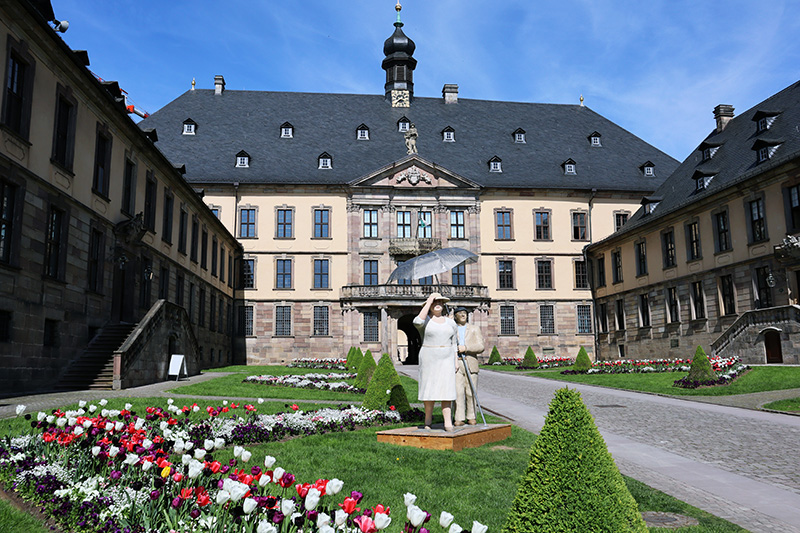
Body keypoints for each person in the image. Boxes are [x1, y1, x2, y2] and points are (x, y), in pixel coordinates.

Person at [413, 292, 457, 431]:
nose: (437, 304)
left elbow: (454, 343)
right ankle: (428, 419)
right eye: (434, 303)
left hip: (447, 357)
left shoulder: (450, 322)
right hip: (429, 356)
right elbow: (416, 321)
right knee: (429, 388)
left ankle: (447, 421)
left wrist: (455, 361)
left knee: (447, 389)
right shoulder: (425, 321)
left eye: (440, 302)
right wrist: (429, 300)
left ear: (443, 305)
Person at [453, 307, 485, 426]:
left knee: (471, 392)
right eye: (460, 313)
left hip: (470, 362)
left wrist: (466, 348)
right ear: (455, 315)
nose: (463, 315)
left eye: (465, 313)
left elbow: (480, 346)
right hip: (456, 362)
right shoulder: (452, 328)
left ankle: (471, 416)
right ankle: (459, 417)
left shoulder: (474, 329)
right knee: (458, 392)